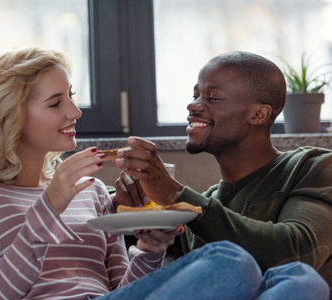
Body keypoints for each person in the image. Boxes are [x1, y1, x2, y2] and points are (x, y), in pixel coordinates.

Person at [0, 47, 328, 300]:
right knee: (232, 262)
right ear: (8, 114)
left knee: (301, 280)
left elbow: (125, 289)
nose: (75, 113)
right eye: (56, 102)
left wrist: (149, 248)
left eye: (71, 98)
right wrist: (50, 204)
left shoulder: (89, 189)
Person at [113, 51, 331, 294]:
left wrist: (176, 195)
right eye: (195, 95)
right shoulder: (204, 205)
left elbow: (298, 252)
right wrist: (128, 203)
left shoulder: (312, 167)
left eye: (213, 98)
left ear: (258, 114)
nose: (192, 105)